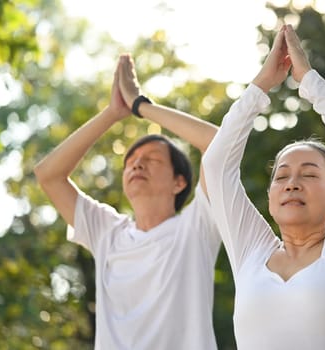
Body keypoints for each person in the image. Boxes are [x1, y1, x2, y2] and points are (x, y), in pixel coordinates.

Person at [202, 24, 325, 349]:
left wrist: (309, 81)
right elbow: (216, 165)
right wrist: (261, 86)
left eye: (309, 174)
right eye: (281, 176)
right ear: (270, 197)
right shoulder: (251, 252)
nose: (292, 183)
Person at [34, 54, 221, 349]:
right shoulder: (108, 232)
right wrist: (112, 113)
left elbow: (215, 141)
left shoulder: (196, 226)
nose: (136, 166)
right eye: (131, 162)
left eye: (151, 159)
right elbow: (48, 175)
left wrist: (139, 105)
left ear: (179, 182)